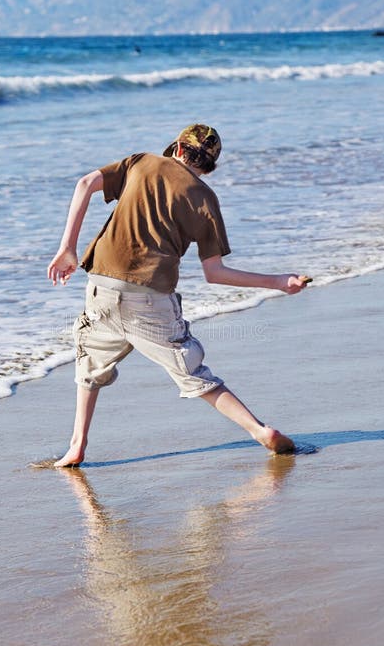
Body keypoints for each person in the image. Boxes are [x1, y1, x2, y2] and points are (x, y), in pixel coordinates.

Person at [47, 123, 309, 468]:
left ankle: (77, 447)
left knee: (89, 365)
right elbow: (216, 274)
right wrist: (278, 281)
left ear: (179, 149)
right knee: (195, 374)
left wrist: (67, 248)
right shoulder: (205, 198)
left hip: (102, 286)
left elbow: (84, 184)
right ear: (208, 165)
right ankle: (259, 430)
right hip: (151, 297)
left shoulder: (140, 162)